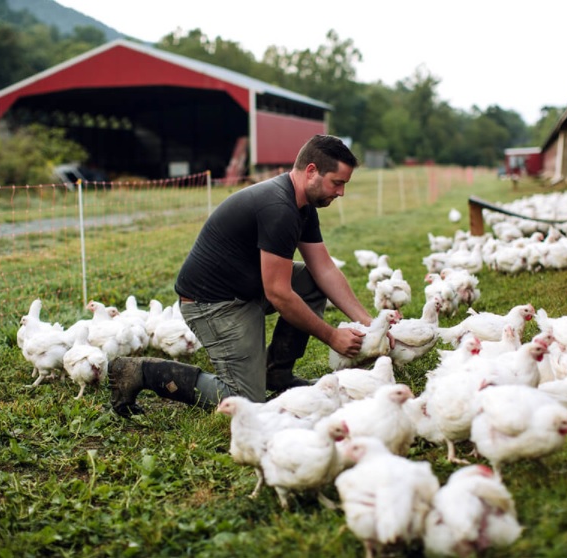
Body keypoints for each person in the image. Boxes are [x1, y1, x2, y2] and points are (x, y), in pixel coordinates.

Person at [109, 134, 380, 416]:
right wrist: (332, 336)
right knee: (246, 401)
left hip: (247, 290)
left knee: (312, 282)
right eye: (337, 183)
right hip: (212, 304)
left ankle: (278, 375)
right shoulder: (279, 208)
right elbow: (279, 294)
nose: (341, 192)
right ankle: (140, 371)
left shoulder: (303, 206)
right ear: (311, 171)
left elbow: (323, 269)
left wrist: (370, 323)